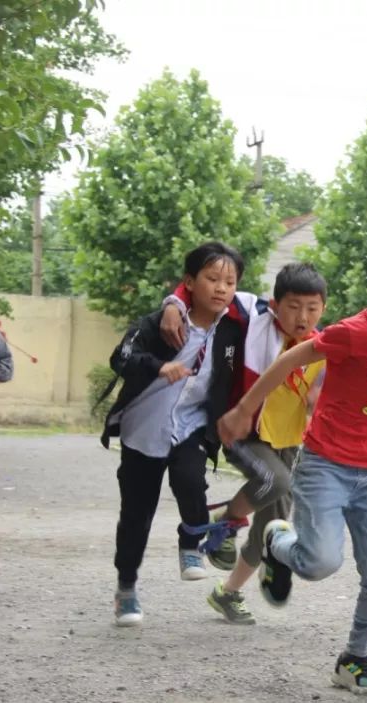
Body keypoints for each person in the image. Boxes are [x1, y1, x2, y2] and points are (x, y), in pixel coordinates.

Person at [217, 234, 367, 696]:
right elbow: (293, 356)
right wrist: (247, 407)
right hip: (326, 465)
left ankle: (354, 657)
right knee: (318, 563)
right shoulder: (356, 332)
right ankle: (276, 538)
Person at [158, 263, 327, 624]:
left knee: (272, 530)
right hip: (241, 431)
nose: (303, 316)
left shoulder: (324, 343)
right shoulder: (255, 316)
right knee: (275, 481)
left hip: (288, 443)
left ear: (323, 309)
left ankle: (228, 593)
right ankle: (226, 522)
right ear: (274, 303)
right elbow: (212, 290)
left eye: (313, 308)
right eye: (294, 306)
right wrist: (173, 303)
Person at [101, 242, 246, 627]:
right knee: (136, 516)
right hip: (143, 432)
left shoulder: (233, 329)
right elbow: (121, 357)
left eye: (229, 282)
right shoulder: (159, 324)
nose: (220, 288)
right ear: (189, 283)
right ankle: (126, 590)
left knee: (190, 480)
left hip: (191, 425)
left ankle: (190, 542)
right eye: (212, 279)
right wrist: (158, 367)